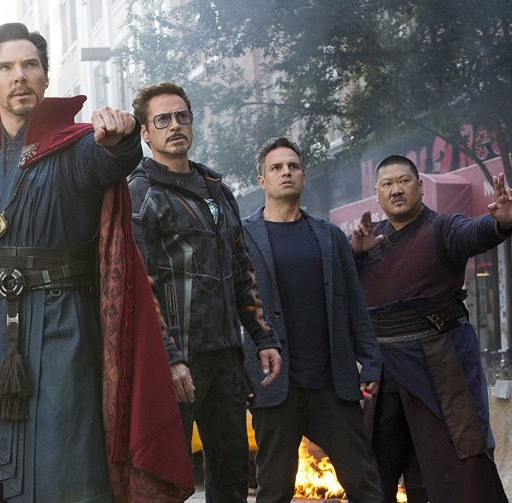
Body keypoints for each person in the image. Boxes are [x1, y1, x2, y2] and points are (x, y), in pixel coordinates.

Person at [0, 23, 193, 503]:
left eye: (30, 65)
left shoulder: (78, 146)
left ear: (45, 77)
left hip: (64, 330)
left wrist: (120, 136)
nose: (19, 75)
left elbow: (114, 160)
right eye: (6, 67)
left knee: (65, 462)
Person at [128, 81, 282, 502]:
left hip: (227, 355)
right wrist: (170, 357)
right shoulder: (140, 193)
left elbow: (240, 270)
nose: (175, 126)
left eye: (182, 116)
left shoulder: (217, 189)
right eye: (162, 119)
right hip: (178, 362)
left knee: (232, 476)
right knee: (167, 480)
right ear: (145, 132)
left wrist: (263, 336)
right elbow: (141, 285)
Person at [351, 155, 512, 503]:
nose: (396, 190)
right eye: (387, 184)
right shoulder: (368, 241)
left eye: (404, 181)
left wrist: (499, 224)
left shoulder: (442, 229)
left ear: (421, 187)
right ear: (377, 195)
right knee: (371, 469)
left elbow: (473, 233)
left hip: (440, 365)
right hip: (383, 370)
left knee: (461, 465)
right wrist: (354, 255)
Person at [241, 136, 383, 503]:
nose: (286, 172)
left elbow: (354, 304)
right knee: (274, 490)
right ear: (262, 180)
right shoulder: (241, 237)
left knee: (364, 484)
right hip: (274, 384)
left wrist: (370, 361)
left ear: (303, 176)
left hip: (332, 383)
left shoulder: (329, 235)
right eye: (276, 167)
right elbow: (231, 309)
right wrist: (239, 375)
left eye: (293, 166)